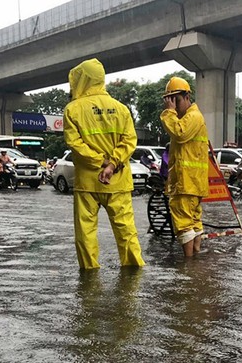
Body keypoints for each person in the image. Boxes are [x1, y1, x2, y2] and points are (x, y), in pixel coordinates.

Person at [63, 58, 144, 270]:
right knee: (127, 233)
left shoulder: (72, 110)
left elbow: (75, 144)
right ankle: (134, 278)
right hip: (118, 181)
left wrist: (101, 162)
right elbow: (129, 142)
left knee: (86, 235)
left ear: (82, 79)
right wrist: (112, 164)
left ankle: (89, 282)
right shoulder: (122, 109)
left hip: (87, 183)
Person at [160, 76, 209, 257]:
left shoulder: (192, 117)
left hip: (187, 183)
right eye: (170, 102)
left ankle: (188, 265)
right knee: (194, 222)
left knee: (184, 224)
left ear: (187, 97)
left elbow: (179, 133)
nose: (173, 106)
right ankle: (194, 260)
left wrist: (168, 113)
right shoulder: (191, 117)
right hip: (191, 182)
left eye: (176, 101)